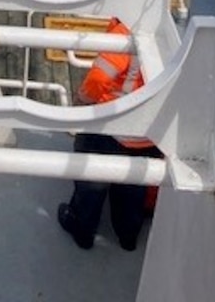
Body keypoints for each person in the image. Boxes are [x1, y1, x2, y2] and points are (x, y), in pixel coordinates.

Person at [57, 16, 161, 252]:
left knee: (91, 181)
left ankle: (82, 230)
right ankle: (128, 236)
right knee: (133, 188)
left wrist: (82, 101)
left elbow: (98, 79)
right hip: (147, 133)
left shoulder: (124, 32)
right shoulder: (167, 30)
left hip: (111, 129)